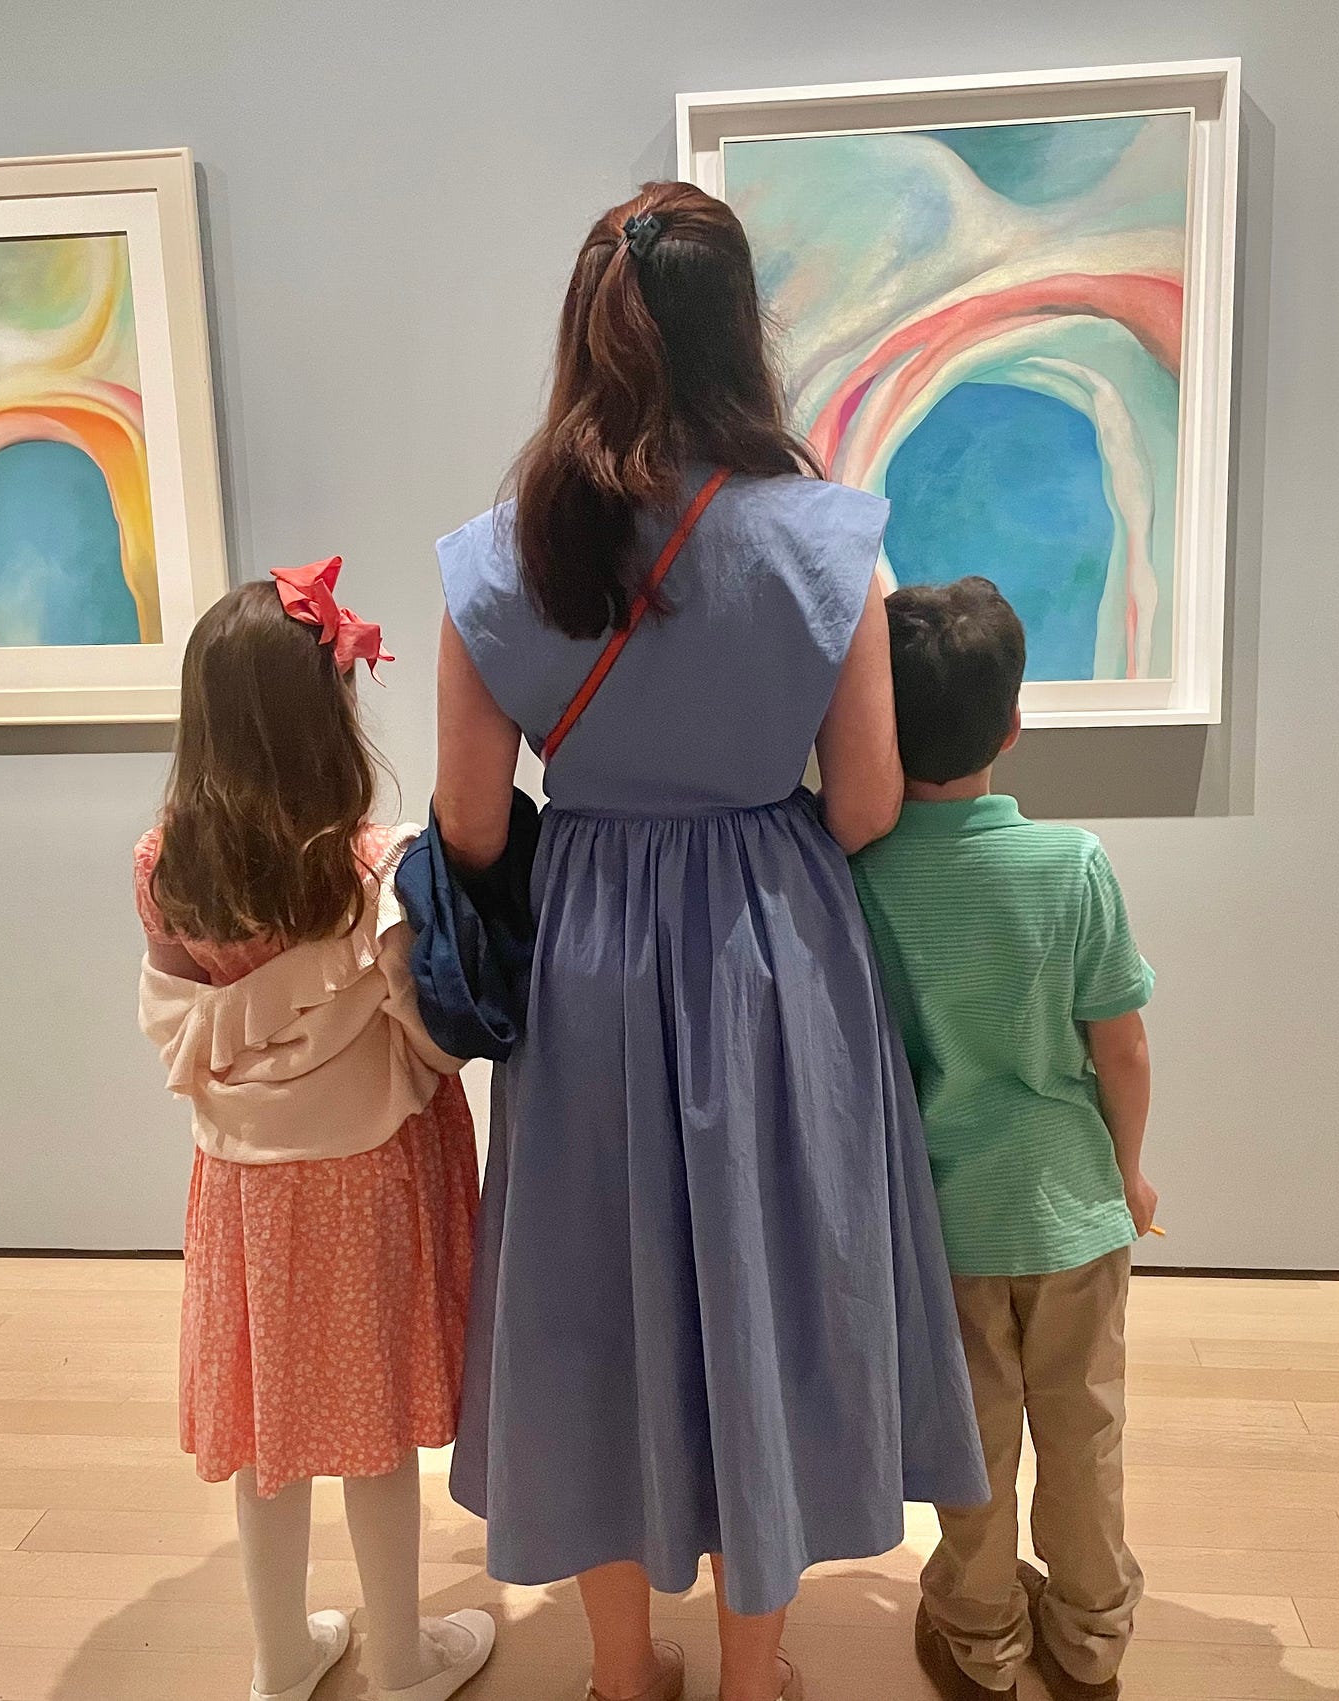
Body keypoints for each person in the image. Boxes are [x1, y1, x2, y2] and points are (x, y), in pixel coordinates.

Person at [434, 182, 987, 1701]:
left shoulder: (496, 559)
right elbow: (865, 802)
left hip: (588, 965)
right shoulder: (831, 543)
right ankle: (757, 1673)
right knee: (771, 1292)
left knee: (593, 1306)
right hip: (771, 957)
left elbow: (470, 825)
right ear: (742, 332)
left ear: (585, 331)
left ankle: (624, 1671)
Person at [135, 561, 496, 1701]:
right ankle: (401, 1659)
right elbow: (427, 1032)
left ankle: (280, 1657)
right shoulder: (371, 868)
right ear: (325, 718)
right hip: (364, 1178)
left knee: (269, 1428)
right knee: (373, 1425)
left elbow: (175, 1017)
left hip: (245, 1188)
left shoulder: (164, 867)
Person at [850, 579, 1157, 1701]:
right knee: (1083, 1431)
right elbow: (1122, 1049)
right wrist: (1128, 1173)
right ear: (1013, 725)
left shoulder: (861, 875)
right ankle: (1087, 1640)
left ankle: (981, 1642)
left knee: (972, 1445)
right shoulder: (1072, 865)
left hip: (944, 1229)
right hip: (1070, 1211)